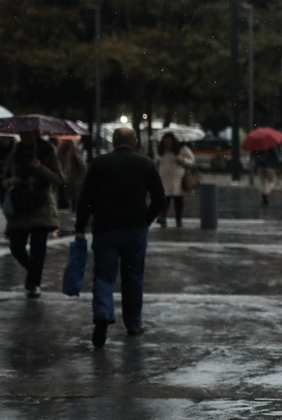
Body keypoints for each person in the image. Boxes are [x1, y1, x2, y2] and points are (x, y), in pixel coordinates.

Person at [76, 127, 165, 348]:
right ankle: (133, 323)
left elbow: (85, 198)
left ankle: (103, 313)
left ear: (113, 142)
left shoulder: (99, 164)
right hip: (135, 229)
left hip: (105, 229)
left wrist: (79, 226)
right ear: (135, 142)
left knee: (104, 276)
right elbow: (159, 199)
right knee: (133, 276)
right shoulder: (146, 164)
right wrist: (147, 218)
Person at [3, 131, 64, 297]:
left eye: (28, 133)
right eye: (22, 133)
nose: (24, 136)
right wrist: (10, 181)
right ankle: (33, 272)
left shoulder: (46, 151)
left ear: (36, 133)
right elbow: (5, 178)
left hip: (41, 206)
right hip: (20, 206)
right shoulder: (15, 153)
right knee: (16, 246)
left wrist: (40, 167)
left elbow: (58, 179)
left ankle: (33, 283)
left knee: (38, 249)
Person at [154, 133, 195, 227]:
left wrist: (182, 160)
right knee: (165, 198)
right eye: (166, 142)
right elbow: (156, 160)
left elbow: (192, 160)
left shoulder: (182, 149)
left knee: (178, 199)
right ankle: (162, 217)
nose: (168, 144)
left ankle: (178, 219)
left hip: (178, 177)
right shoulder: (162, 150)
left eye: (169, 142)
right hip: (165, 177)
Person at [56, 139, 88, 210]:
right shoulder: (60, 149)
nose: (61, 142)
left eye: (63, 141)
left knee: (74, 196)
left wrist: (82, 175)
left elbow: (82, 164)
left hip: (73, 177)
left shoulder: (74, 149)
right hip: (64, 176)